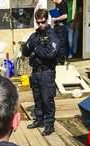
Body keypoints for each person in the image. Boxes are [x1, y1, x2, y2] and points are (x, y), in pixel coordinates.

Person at [22, 8, 59, 136]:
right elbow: (25, 50)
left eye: (42, 22)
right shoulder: (35, 35)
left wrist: (36, 48)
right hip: (36, 71)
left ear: (47, 20)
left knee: (47, 98)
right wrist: (30, 47)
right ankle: (39, 119)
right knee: (37, 98)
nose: (40, 25)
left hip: (46, 72)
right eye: (38, 23)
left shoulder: (52, 35)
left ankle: (49, 124)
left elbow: (50, 54)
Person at [51, 0, 68, 65]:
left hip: (61, 26)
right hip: (57, 26)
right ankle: (57, 60)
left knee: (60, 43)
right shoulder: (57, 5)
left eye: (53, 0)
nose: (53, 2)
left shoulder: (62, 4)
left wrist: (55, 19)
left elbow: (65, 16)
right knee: (56, 43)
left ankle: (61, 61)